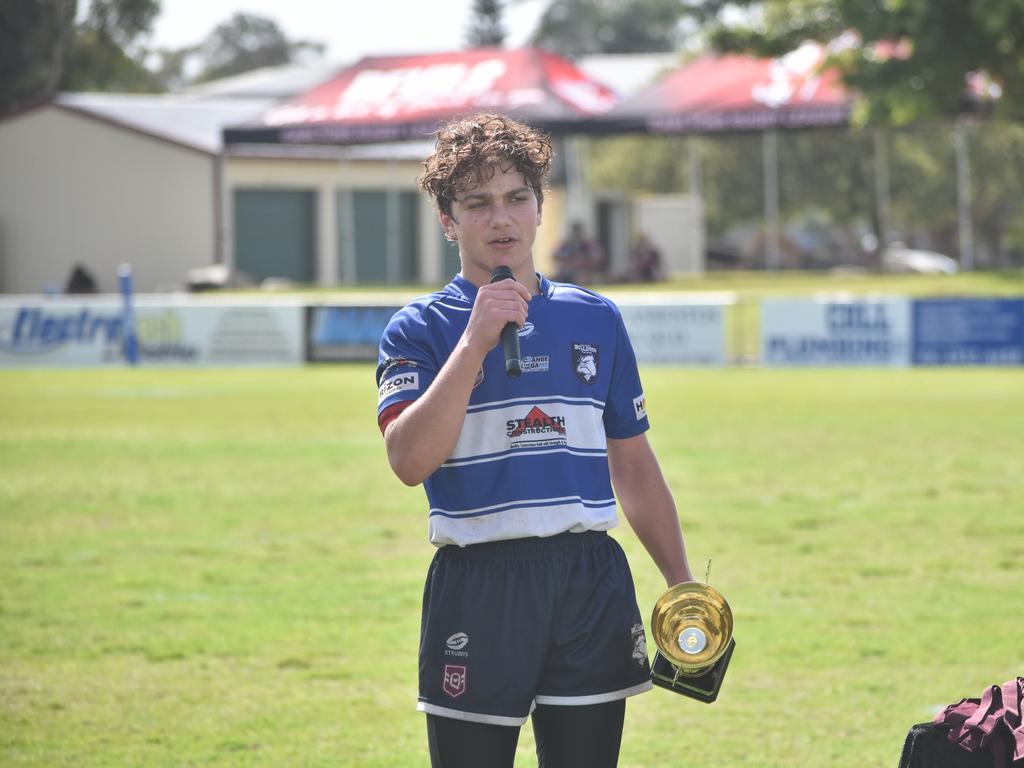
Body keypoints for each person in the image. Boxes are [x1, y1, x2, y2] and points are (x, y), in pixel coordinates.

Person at [375, 113, 694, 768]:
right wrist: (475, 341)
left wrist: (681, 583)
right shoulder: (418, 330)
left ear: (541, 207)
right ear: (447, 220)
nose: (501, 219)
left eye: (517, 197)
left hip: (587, 581)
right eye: (478, 203)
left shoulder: (595, 318)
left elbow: (631, 464)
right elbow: (409, 462)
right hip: (479, 583)